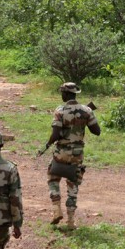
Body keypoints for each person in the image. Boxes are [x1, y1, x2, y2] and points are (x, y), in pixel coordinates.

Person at [44, 82, 100, 229]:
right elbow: (96, 131)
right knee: (73, 185)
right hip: (77, 155)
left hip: (61, 153)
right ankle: (70, 221)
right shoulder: (86, 110)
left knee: (53, 178)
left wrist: (47, 144)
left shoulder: (60, 110)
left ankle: (56, 209)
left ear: (66, 94)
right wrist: (84, 120)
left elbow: (55, 134)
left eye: (62, 93)